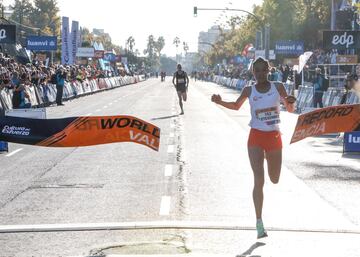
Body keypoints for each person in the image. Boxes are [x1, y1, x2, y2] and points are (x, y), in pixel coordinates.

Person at [211, 57, 296, 239]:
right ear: (253, 73)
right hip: (256, 137)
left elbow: (289, 109)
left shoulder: (278, 86)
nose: (260, 74)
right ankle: (259, 222)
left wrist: (290, 102)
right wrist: (219, 102)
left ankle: (268, 158)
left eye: (263, 70)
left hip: (273, 137)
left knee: (274, 179)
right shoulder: (249, 90)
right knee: (259, 179)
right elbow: (235, 105)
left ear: (268, 70)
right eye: (256, 71)